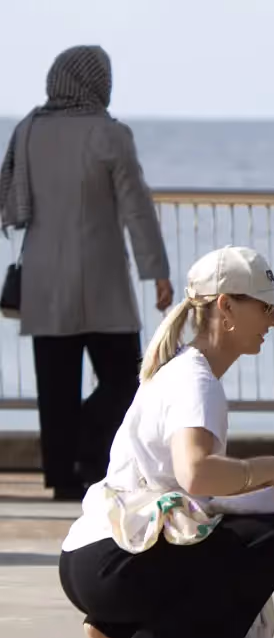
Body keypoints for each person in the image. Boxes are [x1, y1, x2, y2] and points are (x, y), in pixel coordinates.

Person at [57, 246, 274, 638]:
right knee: (273, 537)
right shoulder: (197, 382)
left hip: (87, 561)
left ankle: (117, 631)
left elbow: (192, 489)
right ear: (226, 306)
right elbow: (197, 473)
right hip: (115, 564)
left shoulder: (177, 370)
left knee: (247, 526)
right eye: (266, 307)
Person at [1, 46, 171, 500]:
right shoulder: (109, 133)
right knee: (128, 377)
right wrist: (157, 271)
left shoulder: (29, 129)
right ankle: (91, 455)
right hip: (101, 277)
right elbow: (136, 209)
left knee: (54, 384)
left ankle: (62, 475)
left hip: (42, 276)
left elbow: (13, 199)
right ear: (98, 82)